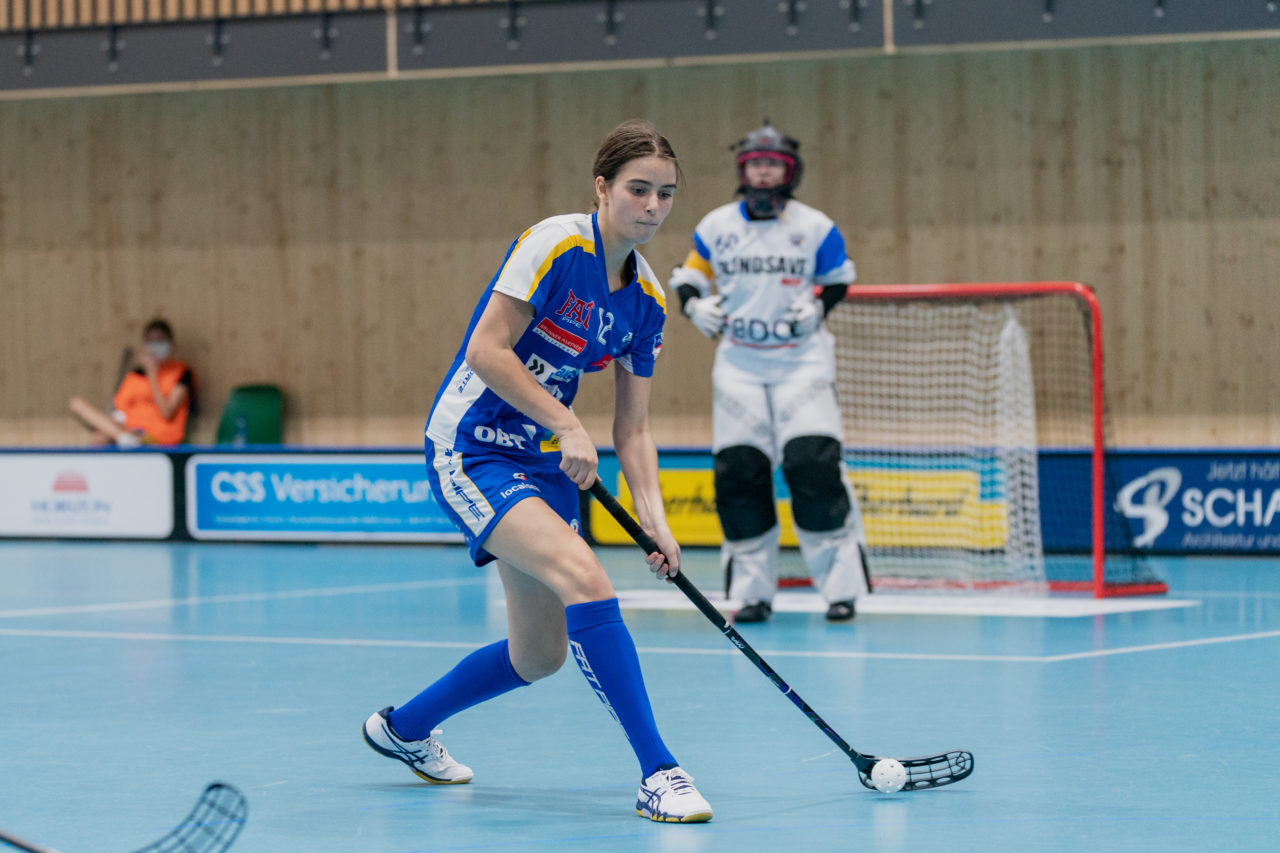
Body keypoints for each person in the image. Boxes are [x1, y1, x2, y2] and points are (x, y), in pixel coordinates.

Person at [362, 120, 712, 823]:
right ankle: (660, 772)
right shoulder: (554, 242)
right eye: (638, 189)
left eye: (666, 194)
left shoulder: (644, 301)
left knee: (540, 653)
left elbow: (634, 427)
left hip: (541, 461)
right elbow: (486, 349)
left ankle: (402, 728)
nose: (651, 206)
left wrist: (657, 518)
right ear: (602, 187)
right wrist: (564, 421)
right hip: (471, 446)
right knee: (587, 577)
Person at [666, 121, 869, 624]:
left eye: (772, 164)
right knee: (739, 476)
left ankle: (841, 590)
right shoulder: (716, 227)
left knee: (812, 468)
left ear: (789, 170)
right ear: (742, 170)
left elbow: (838, 280)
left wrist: (819, 308)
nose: (762, 173)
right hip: (738, 368)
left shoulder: (816, 226)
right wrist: (693, 307)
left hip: (803, 366)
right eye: (754, 164)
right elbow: (689, 277)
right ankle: (753, 593)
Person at [69, 318, 196, 448]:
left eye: (160, 341)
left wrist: (152, 374)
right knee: (80, 409)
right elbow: (121, 411)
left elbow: (167, 412)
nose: (155, 346)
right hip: (129, 430)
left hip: (157, 437)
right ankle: (123, 438)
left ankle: (124, 439)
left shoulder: (181, 373)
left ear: (170, 343)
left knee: (100, 438)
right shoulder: (134, 375)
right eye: (151, 341)